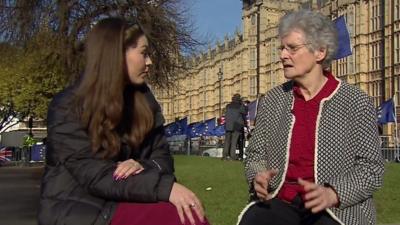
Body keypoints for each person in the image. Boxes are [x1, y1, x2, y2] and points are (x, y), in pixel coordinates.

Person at [38, 17, 209, 225]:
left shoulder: (143, 100)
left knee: (189, 214)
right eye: (144, 53)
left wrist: (141, 164)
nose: (150, 62)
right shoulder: (67, 106)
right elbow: (95, 176)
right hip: (82, 210)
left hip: (124, 198)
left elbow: (162, 158)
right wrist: (165, 188)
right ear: (117, 55)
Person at [238, 10, 384, 225]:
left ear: (320, 52)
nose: (283, 55)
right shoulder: (272, 100)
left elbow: (372, 169)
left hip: (335, 209)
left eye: (292, 48)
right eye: (282, 48)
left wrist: (333, 193)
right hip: (280, 201)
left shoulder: (355, 101)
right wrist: (257, 176)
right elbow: (255, 154)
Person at [222, 94, 246, 160]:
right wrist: (242, 103)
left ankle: (225, 156)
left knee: (227, 141)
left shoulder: (228, 106)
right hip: (236, 125)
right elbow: (245, 112)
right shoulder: (240, 106)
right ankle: (232, 156)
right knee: (234, 141)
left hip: (228, 125)